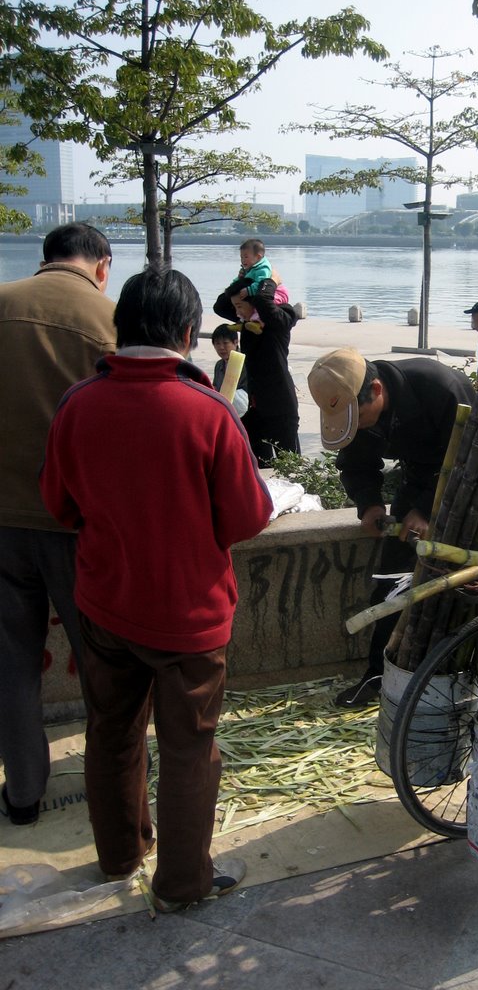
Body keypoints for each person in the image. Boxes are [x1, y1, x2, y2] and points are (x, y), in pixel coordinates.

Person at [39, 266, 273, 911]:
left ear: (121, 328)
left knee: (111, 732)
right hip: (187, 615)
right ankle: (182, 885)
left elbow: (59, 505)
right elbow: (248, 517)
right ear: (190, 334)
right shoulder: (207, 412)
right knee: (189, 748)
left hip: (105, 604)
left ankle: (119, 855)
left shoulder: (78, 402)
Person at [0, 222, 116, 826]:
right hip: (78, 525)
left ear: (44, 260)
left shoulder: (4, 302)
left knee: (11, 664)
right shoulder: (110, 320)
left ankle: (22, 794)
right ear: (102, 265)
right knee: (101, 660)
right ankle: (112, 789)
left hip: (2, 521)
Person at [307, 349, 476, 707]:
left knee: (464, 589)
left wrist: (429, 510)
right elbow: (355, 462)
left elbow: (473, 460)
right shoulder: (361, 410)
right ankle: (377, 675)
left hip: (471, 490)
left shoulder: (439, 387)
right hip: (417, 481)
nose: (360, 426)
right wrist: (368, 504)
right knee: (389, 582)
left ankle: (463, 680)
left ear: (378, 390)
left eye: (361, 417)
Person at [213, 275, 301, 467]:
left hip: (280, 405)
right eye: (235, 306)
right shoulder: (246, 321)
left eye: (239, 306)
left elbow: (263, 301)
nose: (236, 311)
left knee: (291, 466)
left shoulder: (279, 318)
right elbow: (219, 306)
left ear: (254, 302)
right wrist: (243, 278)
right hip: (256, 407)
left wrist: (270, 281)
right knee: (258, 464)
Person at [211, 324, 249, 418]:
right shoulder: (219, 365)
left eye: (225, 343)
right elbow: (216, 387)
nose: (221, 347)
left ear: (236, 342)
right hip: (223, 413)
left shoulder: (246, 364)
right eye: (217, 343)